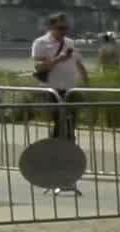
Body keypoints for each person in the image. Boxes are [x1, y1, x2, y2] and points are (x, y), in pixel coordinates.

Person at [32, 14, 89, 150]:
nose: (64, 31)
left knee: (71, 121)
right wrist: (58, 59)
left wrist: (87, 82)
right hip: (53, 89)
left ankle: (68, 147)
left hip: (71, 88)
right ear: (51, 27)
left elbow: (79, 63)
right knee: (59, 120)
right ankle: (57, 148)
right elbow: (39, 67)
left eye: (66, 28)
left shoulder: (70, 43)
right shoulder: (41, 43)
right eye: (60, 28)